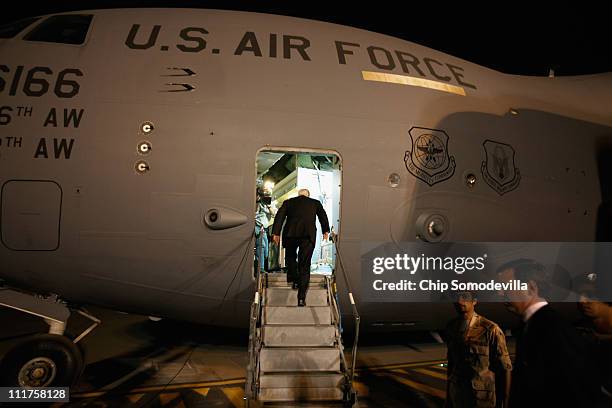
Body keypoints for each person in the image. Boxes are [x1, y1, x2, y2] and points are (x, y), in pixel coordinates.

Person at [496, 259, 594, 408]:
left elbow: (572, 389)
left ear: (531, 287)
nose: (500, 293)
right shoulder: (531, 324)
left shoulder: (552, 327)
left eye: (505, 286)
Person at [444, 291, 512, 408]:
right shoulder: (451, 328)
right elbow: (452, 364)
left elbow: (505, 368)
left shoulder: (490, 329)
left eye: (465, 297)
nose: (459, 301)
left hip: (482, 399)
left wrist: (505, 402)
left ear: (474, 301)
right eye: (456, 297)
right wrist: (448, 398)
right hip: (457, 397)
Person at [271, 188, 330, 306]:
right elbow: (323, 216)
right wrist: (326, 231)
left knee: (290, 259)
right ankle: (301, 298)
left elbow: (280, 216)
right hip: (308, 236)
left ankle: (296, 279)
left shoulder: (289, 202)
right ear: (308, 195)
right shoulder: (315, 203)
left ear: (298, 195)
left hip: (291, 234)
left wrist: (276, 232)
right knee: (304, 265)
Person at [254, 188, 273, 273]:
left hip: (265, 228)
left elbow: (273, 214)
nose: (266, 198)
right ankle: (260, 268)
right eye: (264, 196)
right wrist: (257, 201)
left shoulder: (268, 204)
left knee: (265, 252)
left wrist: (269, 206)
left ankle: (258, 265)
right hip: (258, 226)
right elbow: (254, 212)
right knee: (261, 246)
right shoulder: (257, 204)